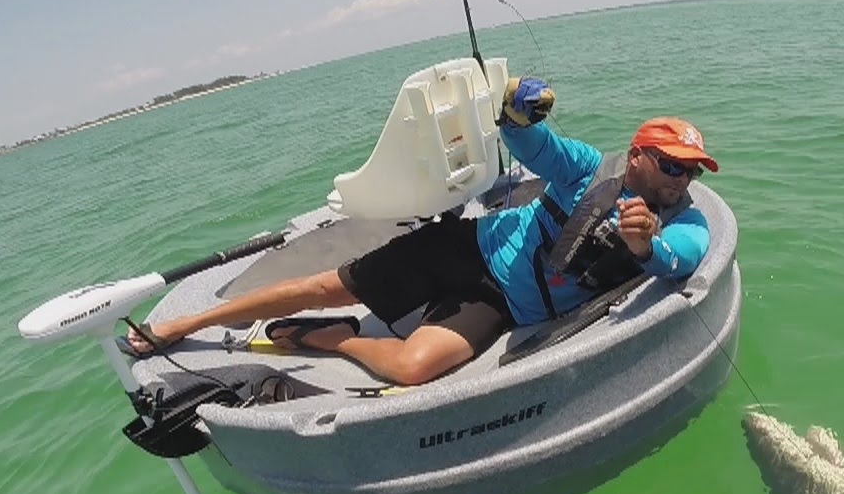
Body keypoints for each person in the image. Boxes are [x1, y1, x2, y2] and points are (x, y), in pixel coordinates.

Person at [121, 78, 717, 386]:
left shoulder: (680, 219)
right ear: (637, 155)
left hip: (504, 307)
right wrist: (515, 109)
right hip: (469, 251)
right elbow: (533, 144)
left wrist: (649, 247)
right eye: (670, 164)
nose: (679, 179)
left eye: (689, 170)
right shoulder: (589, 168)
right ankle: (188, 324)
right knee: (334, 286)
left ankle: (331, 341)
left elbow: (685, 256)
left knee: (413, 367)